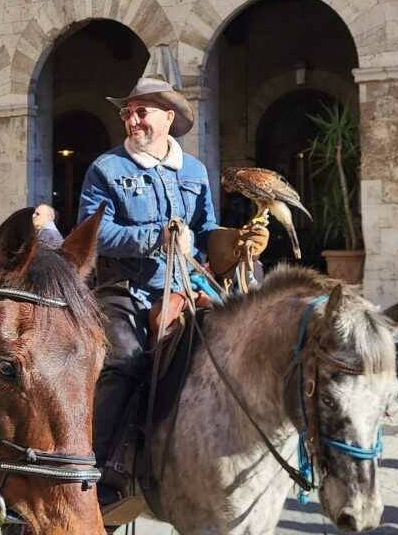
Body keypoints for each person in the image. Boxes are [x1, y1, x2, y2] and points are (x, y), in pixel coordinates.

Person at [76, 76, 269, 509]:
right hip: (125, 288)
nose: (131, 119)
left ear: (169, 117)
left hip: (187, 285)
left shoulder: (195, 171)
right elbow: (93, 233)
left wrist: (238, 241)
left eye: (141, 111)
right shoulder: (106, 169)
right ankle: (100, 474)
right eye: (127, 112)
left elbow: (204, 231)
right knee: (123, 362)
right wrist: (153, 237)